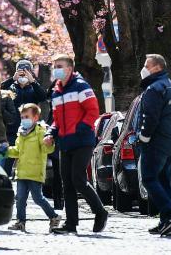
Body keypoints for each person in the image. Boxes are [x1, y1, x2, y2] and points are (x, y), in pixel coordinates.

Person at [43, 54, 109, 234]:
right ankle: (71, 224)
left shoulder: (81, 86)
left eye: (60, 65)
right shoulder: (56, 92)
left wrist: (79, 129)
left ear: (70, 69)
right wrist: (51, 133)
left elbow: (93, 111)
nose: (56, 68)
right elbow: (56, 120)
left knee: (78, 180)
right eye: (54, 65)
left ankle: (100, 212)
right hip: (65, 143)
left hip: (82, 141)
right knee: (67, 184)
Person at [136, 53, 171, 237]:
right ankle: (166, 220)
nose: (144, 68)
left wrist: (144, 137)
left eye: (146, 65)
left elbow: (150, 117)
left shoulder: (154, 89)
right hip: (170, 140)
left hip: (155, 141)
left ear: (156, 67)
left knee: (149, 178)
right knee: (163, 179)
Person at [7, 103, 61, 233]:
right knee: (20, 198)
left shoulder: (40, 132)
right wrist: (6, 151)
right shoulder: (21, 133)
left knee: (38, 198)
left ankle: (54, 216)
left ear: (35, 117)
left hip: (35, 172)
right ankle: (20, 221)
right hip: (22, 172)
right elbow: (17, 151)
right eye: (22, 117)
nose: (24, 119)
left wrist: (50, 143)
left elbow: (46, 149)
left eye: (27, 116)